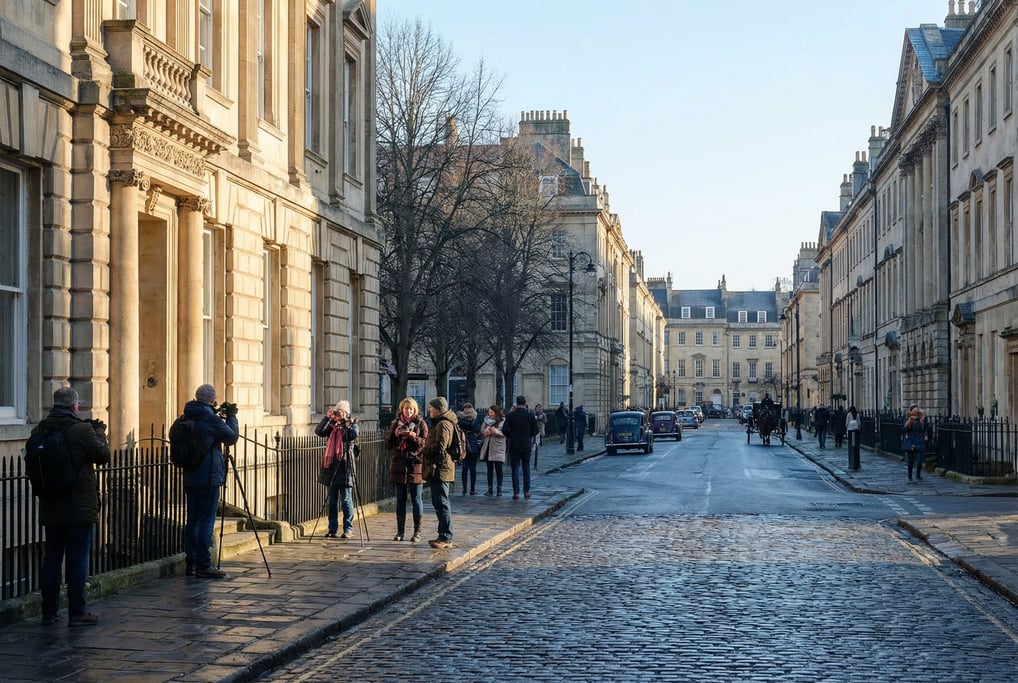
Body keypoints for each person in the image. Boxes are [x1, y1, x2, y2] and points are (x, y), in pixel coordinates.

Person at [35, 386, 111, 626]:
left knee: (52, 558)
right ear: (74, 406)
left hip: (51, 504)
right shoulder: (81, 429)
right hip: (79, 506)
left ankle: (49, 612)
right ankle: (77, 612)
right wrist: (99, 433)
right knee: (77, 559)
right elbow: (104, 455)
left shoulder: (41, 429)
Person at [182, 384, 240, 579]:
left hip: (191, 476)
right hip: (208, 477)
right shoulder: (210, 418)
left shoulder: (188, 415)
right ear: (212, 400)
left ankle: (190, 563)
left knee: (192, 521)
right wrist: (231, 416)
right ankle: (204, 565)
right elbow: (231, 437)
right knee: (206, 520)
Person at [385, 397, 428, 541]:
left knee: (416, 499)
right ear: (401, 409)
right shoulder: (396, 423)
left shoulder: (421, 424)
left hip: (416, 464)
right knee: (400, 499)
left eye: (411, 409)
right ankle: (400, 532)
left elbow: (424, 444)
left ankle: (417, 532)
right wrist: (395, 434)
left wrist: (413, 437)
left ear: (415, 410)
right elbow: (388, 444)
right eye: (406, 408)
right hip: (399, 464)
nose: (408, 411)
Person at [315, 399, 359, 539]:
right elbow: (319, 431)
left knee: (346, 499)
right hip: (331, 467)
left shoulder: (352, 425)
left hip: (346, 468)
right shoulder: (331, 427)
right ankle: (332, 528)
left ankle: (348, 529)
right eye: (338, 411)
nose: (339, 414)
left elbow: (351, 435)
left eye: (342, 412)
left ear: (347, 413)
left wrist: (344, 424)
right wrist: (327, 417)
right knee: (332, 500)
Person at [421, 397, 456, 548]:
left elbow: (440, 446)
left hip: (441, 469)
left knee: (442, 502)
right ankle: (443, 535)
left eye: (431, 408)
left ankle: (446, 536)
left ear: (438, 409)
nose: (429, 410)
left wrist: (425, 449)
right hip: (439, 468)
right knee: (439, 502)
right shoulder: (441, 423)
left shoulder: (443, 424)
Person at [504, 395, 539, 500]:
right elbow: (536, 430)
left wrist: (511, 436)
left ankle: (516, 492)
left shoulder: (510, 415)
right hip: (526, 444)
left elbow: (504, 430)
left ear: (517, 403)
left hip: (514, 444)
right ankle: (527, 491)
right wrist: (528, 436)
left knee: (515, 468)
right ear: (524, 403)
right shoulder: (530, 416)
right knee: (526, 467)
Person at [479, 404, 506, 496]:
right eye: (489, 412)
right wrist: (486, 431)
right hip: (488, 446)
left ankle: (499, 489)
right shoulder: (486, 420)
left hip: (498, 447)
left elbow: (504, 433)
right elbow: (482, 431)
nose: (489, 414)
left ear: (496, 412)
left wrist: (494, 431)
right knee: (489, 469)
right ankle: (490, 489)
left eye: (491, 412)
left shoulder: (502, 421)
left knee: (499, 469)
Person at [457, 402, 483, 496]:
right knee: (473, 467)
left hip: (463, 443)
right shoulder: (475, 418)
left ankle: (464, 489)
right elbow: (478, 430)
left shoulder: (460, 418)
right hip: (473, 444)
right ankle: (472, 489)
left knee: (464, 467)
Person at [902, 404, 928, 481]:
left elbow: (926, 427)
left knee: (920, 460)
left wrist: (926, 435)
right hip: (911, 440)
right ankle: (910, 476)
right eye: (914, 410)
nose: (916, 412)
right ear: (911, 411)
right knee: (911, 460)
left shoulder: (922, 418)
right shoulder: (908, 418)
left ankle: (918, 475)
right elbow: (903, 430)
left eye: (917, 410)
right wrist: (908, 423)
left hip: (920, 440)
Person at [846, 405, 861, 470]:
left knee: (852, 445)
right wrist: (859, 428)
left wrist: (847, 428)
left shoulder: (849, 414)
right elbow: (859, 423)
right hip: (856, 430)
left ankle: (853, 462)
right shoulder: (857, 414)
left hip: (851, 431)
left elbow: (846, 423)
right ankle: (856, 462)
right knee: (855, 446)